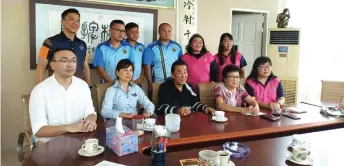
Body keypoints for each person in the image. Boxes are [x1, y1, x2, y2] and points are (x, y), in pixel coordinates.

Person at [29, 49, 97, 143]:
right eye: (64, 61)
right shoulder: (39, 91)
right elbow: (39, 130)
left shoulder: (83, 86)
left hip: (79, 139)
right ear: (53, 65)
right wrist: (69, 128)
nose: (70, 64)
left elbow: (90, 112)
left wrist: (90, 120)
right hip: (50, 143)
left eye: (73, 61)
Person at [36, 8, 91, 85]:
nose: (75, 23)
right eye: (71, 19)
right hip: (56, 88)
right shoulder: (49, 42)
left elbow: (85, 68)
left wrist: (88, 87)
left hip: (78, 88)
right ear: (62, 22)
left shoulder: (82, 44)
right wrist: (40, 89)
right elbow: (40, 68)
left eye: (78, 20)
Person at [143, 23, 183, 98]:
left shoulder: (177, 46)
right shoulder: (151, 47)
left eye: (169, 31)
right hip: (158, 83)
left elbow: (181, 65)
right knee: (157, 105)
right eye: (164, 31)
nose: (167, 33)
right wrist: (150, 83)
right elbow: (146, 66)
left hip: (174, 83)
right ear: (159, 32)